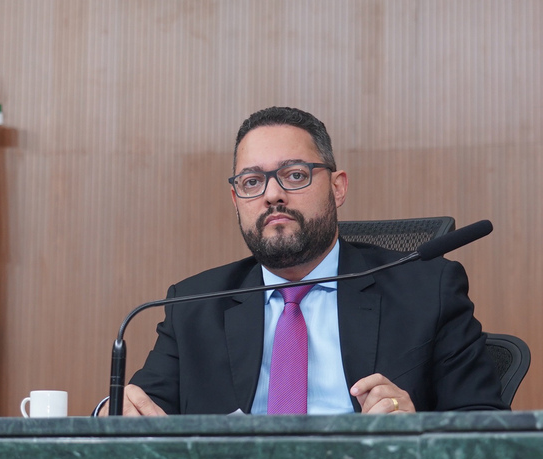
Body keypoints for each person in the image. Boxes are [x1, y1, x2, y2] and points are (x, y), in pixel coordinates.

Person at [97, 106, 506, 416]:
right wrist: (110, 414)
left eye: (295, 175)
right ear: (236, 201)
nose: (272, 195)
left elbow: (486, 427)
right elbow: (139, 411)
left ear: (338, 187)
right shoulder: (193, 304)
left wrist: (414, 426)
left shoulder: (427, 290)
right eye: (252, 182)